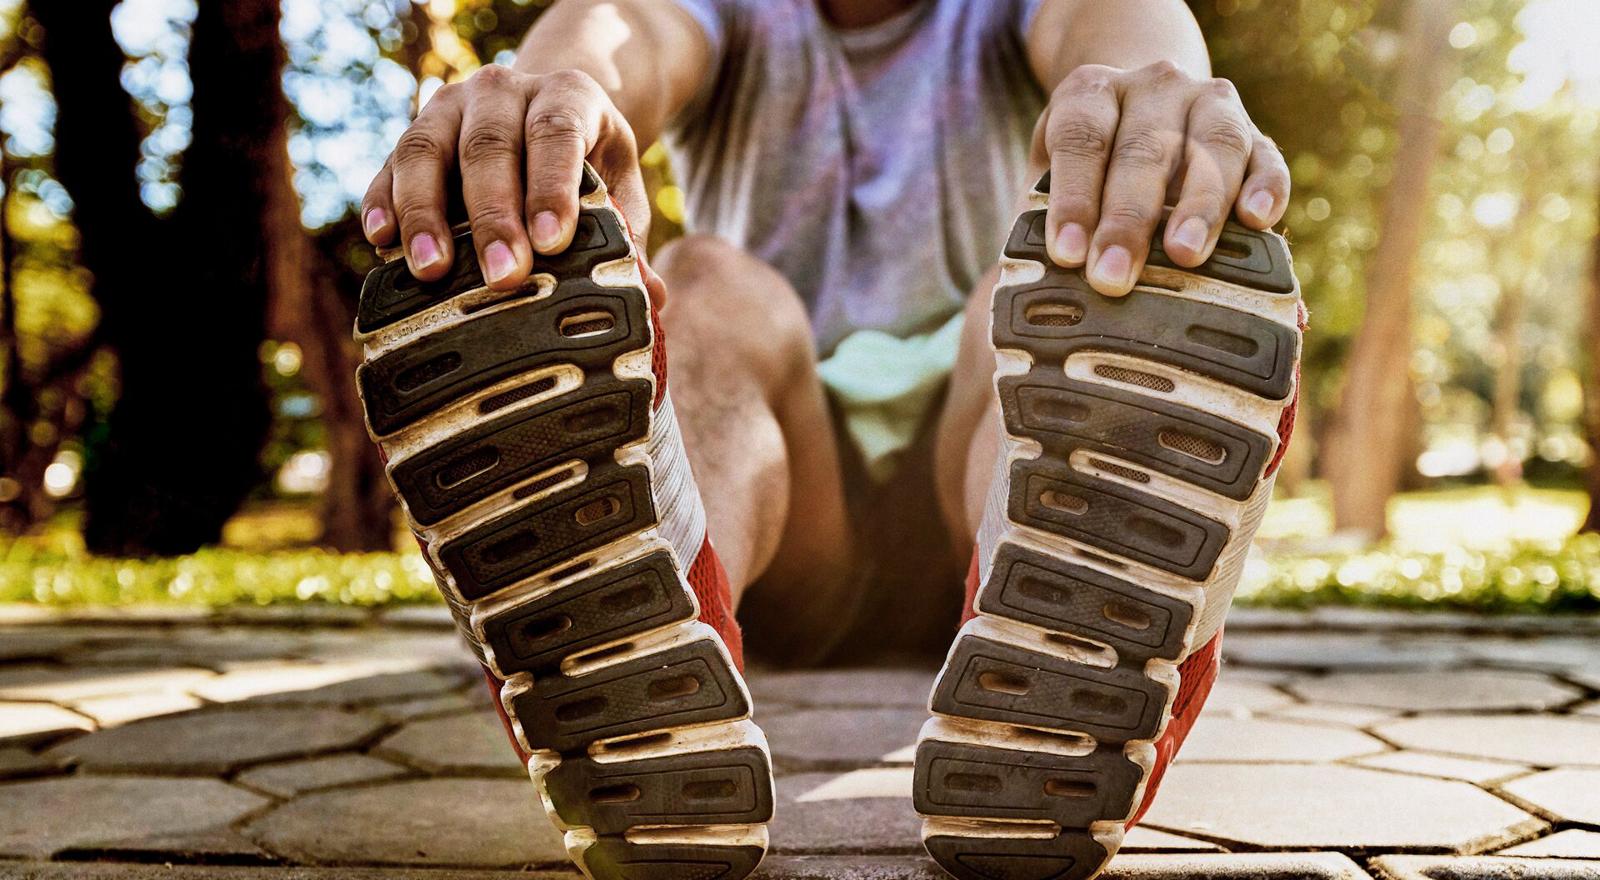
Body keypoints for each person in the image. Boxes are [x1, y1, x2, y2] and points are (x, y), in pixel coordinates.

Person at [353, 2, 1304, 879]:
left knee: (1049, 290)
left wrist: (1150, 92)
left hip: (979, 480)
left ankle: (1076, 618)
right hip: (784, 489)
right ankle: (647, 630)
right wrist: (552, 102)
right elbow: (622, 31)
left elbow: (1117, 23)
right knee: (711, 282)